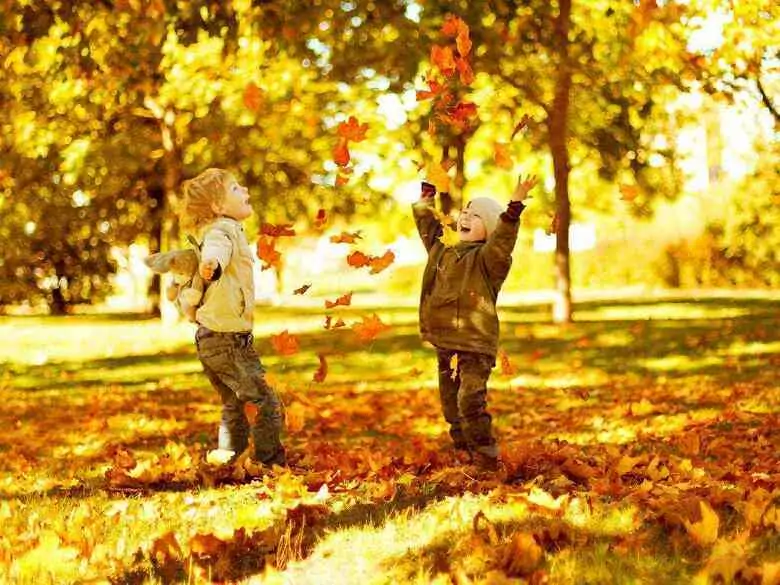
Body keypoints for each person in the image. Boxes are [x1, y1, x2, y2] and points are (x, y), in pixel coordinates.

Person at [412, 175, 537, 471]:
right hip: (447, 344)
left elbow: (503, 239)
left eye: (476, 215)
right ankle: (463, 451)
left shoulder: (489, 260)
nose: (466, 217)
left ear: (489, 228)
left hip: (475, 345)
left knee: (469, 399)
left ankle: (485, 454)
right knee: (450, 405)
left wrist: (514, 206)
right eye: (465, 212)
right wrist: (427, 192)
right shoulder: (442, 251)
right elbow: (428, 226)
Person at [178, 168, 286, 467]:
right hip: (226, 340)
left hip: (215, 337)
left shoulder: (228, 228)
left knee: (234, 405)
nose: (246, 191)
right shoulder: (222, 230)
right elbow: (217, 250)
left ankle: (229, 462)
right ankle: (270, 463)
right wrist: (212, 263)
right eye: (236, 189)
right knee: (267, 400)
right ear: (218, 206)